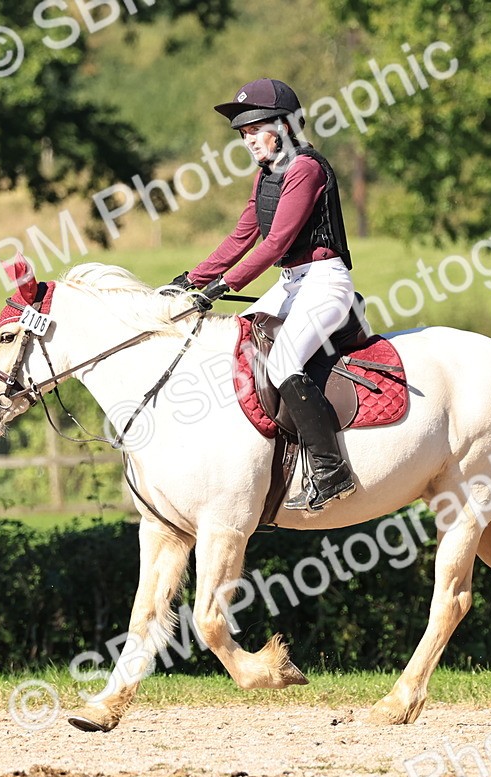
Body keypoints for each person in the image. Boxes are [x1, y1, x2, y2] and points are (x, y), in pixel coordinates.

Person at [169, 78, 357, 512]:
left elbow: (273, 244)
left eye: (255, 128)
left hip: (325, 282)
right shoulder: (268, 175)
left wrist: (223, 287)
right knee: (236, 345)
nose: (248, 138)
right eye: (244, 132)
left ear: (286, 125)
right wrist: (191, 280)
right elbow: (243, 236)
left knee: (284, 360)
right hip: (291, 284)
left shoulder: (306, 169)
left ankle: (331, 470)